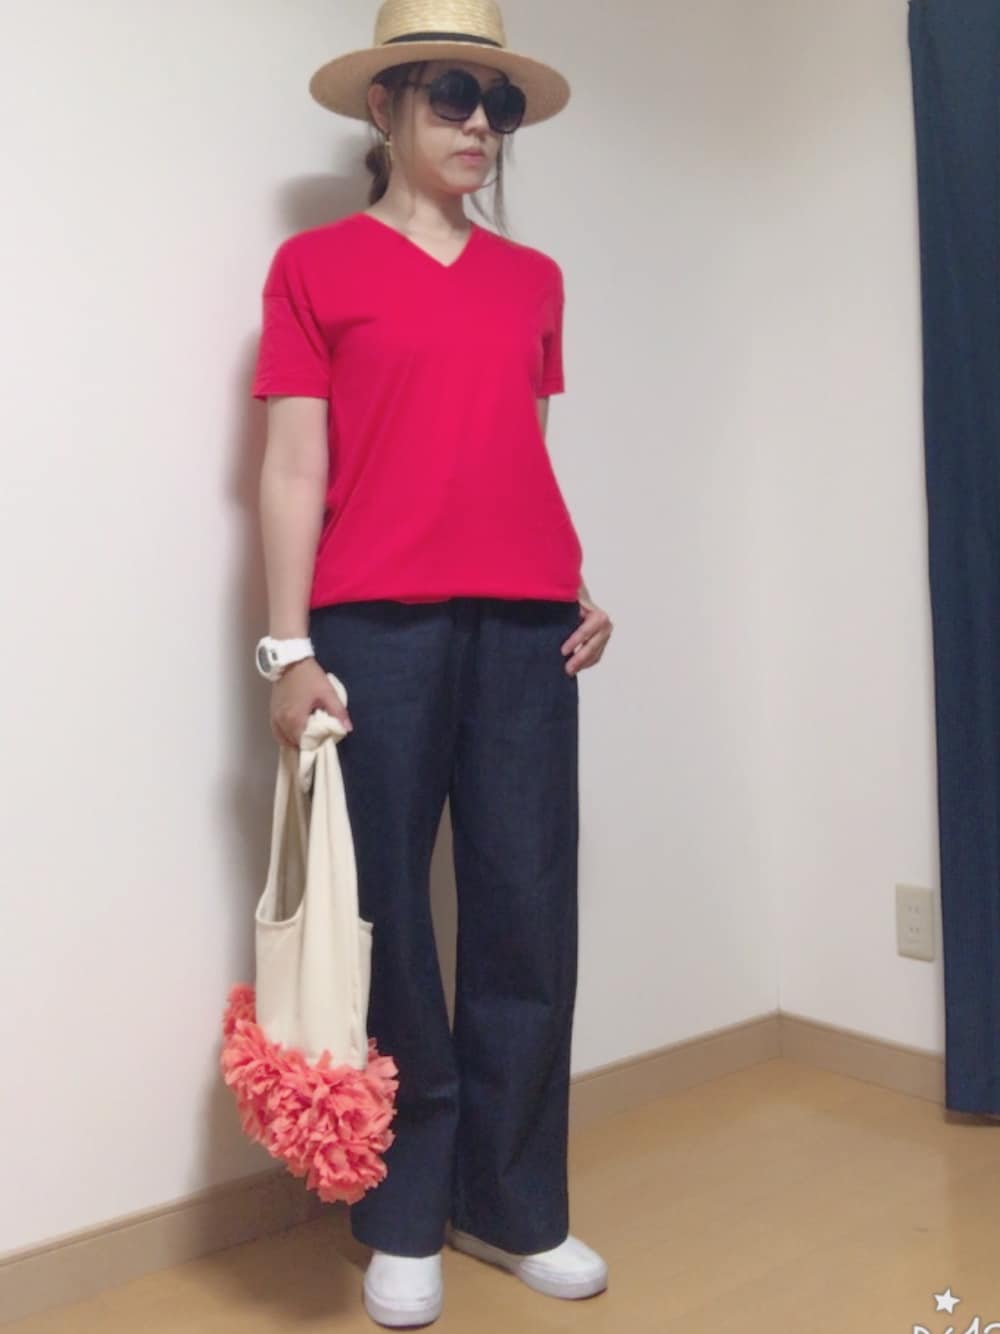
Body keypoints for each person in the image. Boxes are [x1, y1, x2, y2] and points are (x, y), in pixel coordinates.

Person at [249, 1, 613, 1326]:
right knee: (387, 918)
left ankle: (511, 1204)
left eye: (498, 104)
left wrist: (571, 577)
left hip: (527, 624)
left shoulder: (533, 280)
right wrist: (288, 648)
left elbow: (509, 446)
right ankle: (404, 1211)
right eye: (453, 95)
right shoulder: (315, 267)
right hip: (374, 628)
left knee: (527, 907)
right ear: (384, 108)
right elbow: (294, 465)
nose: (479, 125)